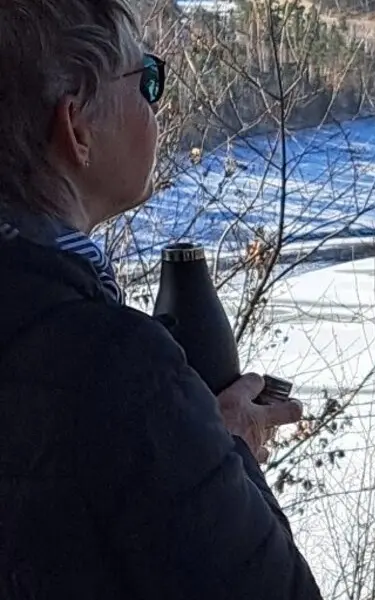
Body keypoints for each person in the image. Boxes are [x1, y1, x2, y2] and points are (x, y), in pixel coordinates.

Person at [0, 0, 323, 597]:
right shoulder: (115, 368)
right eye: (146, 79)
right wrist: (225, 446)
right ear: (77, 129)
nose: (157, 103)